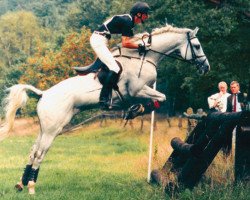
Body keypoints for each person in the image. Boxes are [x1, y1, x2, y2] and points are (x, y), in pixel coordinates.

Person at [90, 2, 150, 109]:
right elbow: (126, 43)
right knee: (115, 68)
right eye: (146, 14)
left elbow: (131, 41)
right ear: (139, 14)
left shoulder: (129, 22)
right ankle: (103, 100)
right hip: (98, 40)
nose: (147, 16)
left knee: (114, 66)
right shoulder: (127, 21)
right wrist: (140, 46)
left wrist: (142, 45)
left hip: (102, 40)